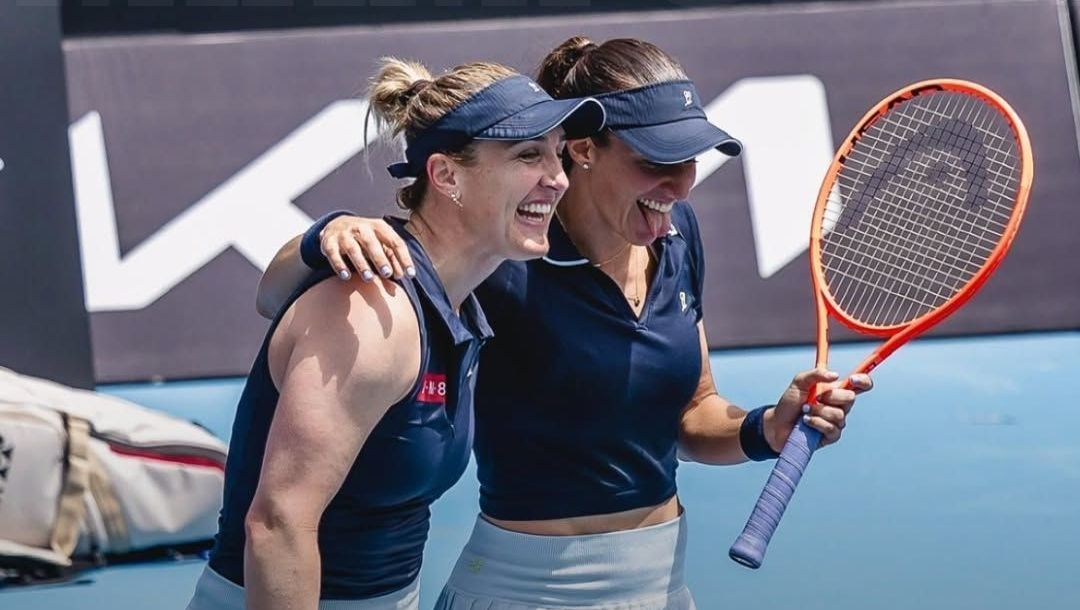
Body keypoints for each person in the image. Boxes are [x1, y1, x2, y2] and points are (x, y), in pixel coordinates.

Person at [259, 37, 872, 610]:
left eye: (691, 158)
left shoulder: (678, 238)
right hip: (523, 589)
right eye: (657, 159)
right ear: (583, 149)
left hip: (662, 587)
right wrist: (323, 234)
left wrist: (767, 427)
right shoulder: (503, 257)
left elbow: (692, 411)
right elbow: (393, 258)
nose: (680, 184)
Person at [187, 57, 605, 610]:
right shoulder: (369, 310)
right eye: (529, 155)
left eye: (557, 153)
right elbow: (278, 523)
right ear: (447, 175)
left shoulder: (458, 300)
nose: (556, 177)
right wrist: (317, 237)